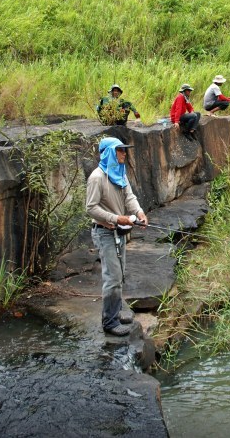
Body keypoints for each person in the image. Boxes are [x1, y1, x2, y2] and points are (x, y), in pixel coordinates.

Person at [86, 136, 149, 337]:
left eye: (124, 150)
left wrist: (139, 213)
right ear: (110, 153)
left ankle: (116, 312)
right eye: (120, 150)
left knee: (120, 273)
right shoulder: (97, 177)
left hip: (119, 232)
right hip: (104, 232)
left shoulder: (120, 172)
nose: (124, 153)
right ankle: (110, 322)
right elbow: (91, 208)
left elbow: (129, 197)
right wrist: (116, 218)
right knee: (112, 277)